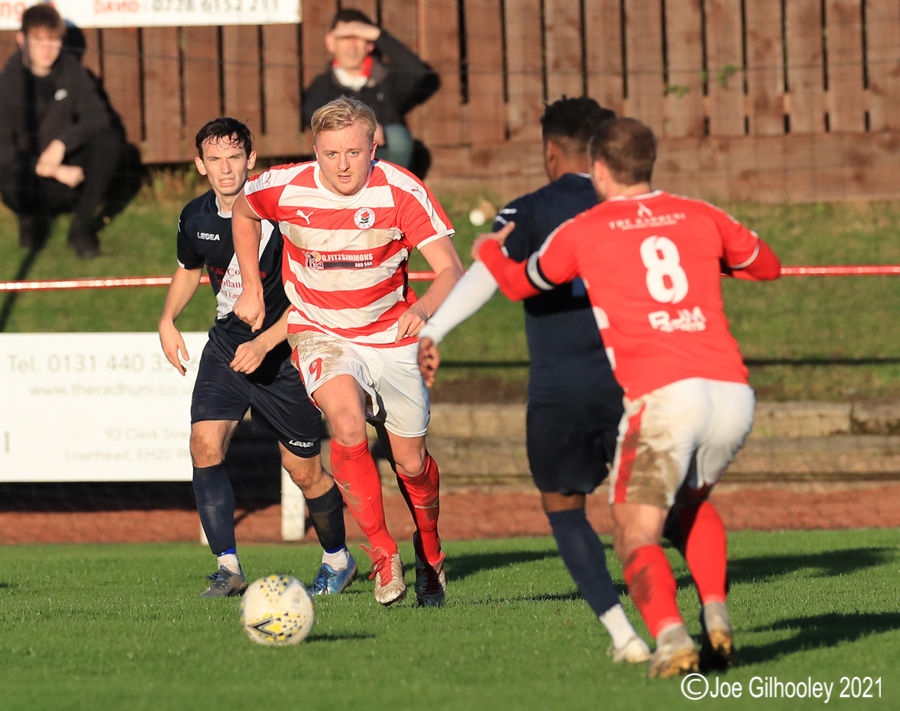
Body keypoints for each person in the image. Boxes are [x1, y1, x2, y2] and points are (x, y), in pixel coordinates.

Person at [463, 118, 781, 678]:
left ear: (601, 170)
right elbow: (767, 266)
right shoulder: (701, 214)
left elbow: (518, 285)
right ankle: (716, 615)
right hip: (731, 394)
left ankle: (671, 637)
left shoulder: (586, 229)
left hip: (665, 400)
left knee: (634, 531)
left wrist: (489, 251)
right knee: (689, 503)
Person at [417, 97, 650, 662]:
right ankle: (702, 610)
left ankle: (625, 637)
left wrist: (434, 330)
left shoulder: (532, 209)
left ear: (551, 153)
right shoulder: (645, 209)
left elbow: (484, 276)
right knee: (652, 511)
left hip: (563, 387)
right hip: (642, 380)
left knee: (564, 505)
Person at [230, 97, 464, 608]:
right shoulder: (283, 186)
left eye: (354, 152)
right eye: (331, 153)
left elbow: (451, 269)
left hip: (391, 335)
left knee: (411, 461)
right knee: (346, 422)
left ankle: (431, 551)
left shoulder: (402, 190)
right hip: (321, 331)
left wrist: (422, 310)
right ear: (315, 149)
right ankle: (383, 556)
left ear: (374, 145)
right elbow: (243, 209)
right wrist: (251, 285)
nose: (342, 165)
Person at [158, 117, 356, 598]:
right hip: (226, 349)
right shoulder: (195, 217)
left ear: (251, 160)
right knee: (204, 445)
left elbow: (313, 296)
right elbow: (188, 270)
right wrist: (167, 320)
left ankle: (338, 558)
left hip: (286, 355)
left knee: (303, 471)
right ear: (200, 165)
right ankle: (228, 568)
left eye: (234, 158)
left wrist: (266, 342)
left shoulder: (282, 217)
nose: (225, 169)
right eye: (215, 160)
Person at [0, 4, 137, 258]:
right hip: (29, 177)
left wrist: (61, 145)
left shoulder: (72, 71)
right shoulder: (7, 83)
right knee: (9, 173)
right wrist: (50, 168)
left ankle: (81, 228)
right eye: (39, 41)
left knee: (110, 140)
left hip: (69, 173)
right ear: (21, 39)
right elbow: (4, 151)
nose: (47, 49)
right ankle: (30, 220)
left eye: (53, 41)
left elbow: (97, 117)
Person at [302, 8, 439, 172]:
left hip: (382, 157)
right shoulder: (323, 85)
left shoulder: (385, 79)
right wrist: (363, 128)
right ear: (331, 43)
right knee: (324, 145)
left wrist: (378, 35)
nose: (352, 46)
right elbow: (310, 115)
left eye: (359, 37)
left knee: (398, 138)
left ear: (370, 44)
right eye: (345, 38)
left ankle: (391, 192)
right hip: (341, 161)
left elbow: (417, 72)